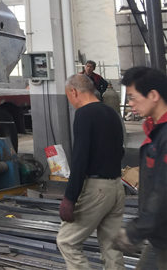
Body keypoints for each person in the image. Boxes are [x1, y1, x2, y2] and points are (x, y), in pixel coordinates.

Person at [56, 74, 125, 270]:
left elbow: (80, 158)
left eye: (68, 96)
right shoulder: (111, 113)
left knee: (67, 242)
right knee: (112, 247)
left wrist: (70, 198)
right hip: (116, 187)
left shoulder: (84, 114)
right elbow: (120, 151)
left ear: (74, 92)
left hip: (97, 189)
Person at [114, 67, 167, 269]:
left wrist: (135, 231)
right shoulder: (156, 131)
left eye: (133, 97)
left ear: (153, 95)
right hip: (158, 234)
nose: (130, 103)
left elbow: (163, 191)